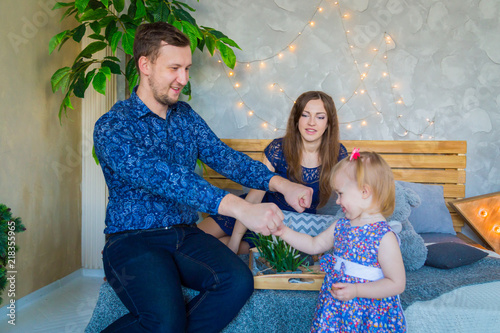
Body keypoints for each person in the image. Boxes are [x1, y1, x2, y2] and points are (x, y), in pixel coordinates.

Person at [93, 22, 313, 333]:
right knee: (165, 323)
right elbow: (168, 179)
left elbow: (226, 158)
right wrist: (241, 208)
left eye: (186, 68)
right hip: (132, 240)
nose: (183, 79)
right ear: (145, 65)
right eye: (174, 68)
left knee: (238, 282)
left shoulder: (185, 117)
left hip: (184, 234)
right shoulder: (112, 126)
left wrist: (282, 184)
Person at [198, 91, 348, 254]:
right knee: (196, 238)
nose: (311, 122)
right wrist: (235, 240)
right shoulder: (278, 148)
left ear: (328, 123)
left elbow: (349, 197)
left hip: (283, 226)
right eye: (305, 115)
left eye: (320, 117)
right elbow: (255, 197)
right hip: (253, 210)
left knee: (217, 250)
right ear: (297, 119)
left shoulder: (338, 154)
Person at [274, 150, 406, 332]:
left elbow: (397, 284)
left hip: (368, 314)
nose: (337, 201)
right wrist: (284, 232)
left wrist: (357, 291)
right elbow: (314, 245)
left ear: (364, 191)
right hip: (336, 309)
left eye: (340, 193)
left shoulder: (384, 237)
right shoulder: (341, 225)